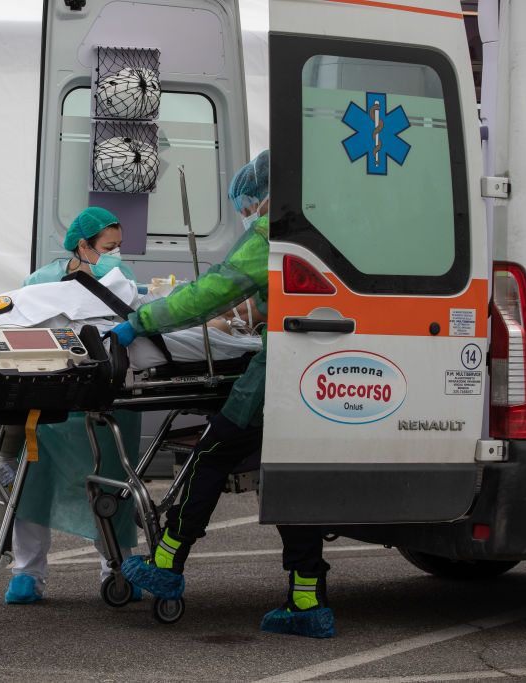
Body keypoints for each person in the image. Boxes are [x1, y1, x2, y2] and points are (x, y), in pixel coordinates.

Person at [112, 152, 336, 639]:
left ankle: (166, 566)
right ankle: (308, 602)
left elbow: (209, 293)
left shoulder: (272, 233)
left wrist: (141, 321)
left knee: (211, 454)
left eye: (250, 203)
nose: (249, 211)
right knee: (293, 479)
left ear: (264, 196)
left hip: (279, 369)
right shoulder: (331, 221)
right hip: (325, 371)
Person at [1, 206, 142, 605]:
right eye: (109, 247)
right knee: (34, 486)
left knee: (111, 483)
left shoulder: (122, 277)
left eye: (119, 248)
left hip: (103, 394)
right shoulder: (40, 281)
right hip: (51, 398)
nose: (117, 256)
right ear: (83, 245)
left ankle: (115, 568)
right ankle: (26, 574)